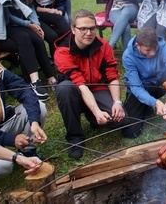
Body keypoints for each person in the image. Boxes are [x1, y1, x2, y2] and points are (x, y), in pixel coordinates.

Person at [54, 9, 134, 160]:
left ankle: (94, 119)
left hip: (97, 88)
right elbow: (80, 83)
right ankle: (75, 138)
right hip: (75, 91)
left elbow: (112, 75)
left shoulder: (103, 45)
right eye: (83, 29)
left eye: (92, 28)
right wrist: (97, 110)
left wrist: (117, 102)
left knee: (122, 120)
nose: (88, 33)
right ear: (73, 29)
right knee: (64, 89)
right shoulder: (62, 51)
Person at [0, 36, 47, 176]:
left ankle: (28, 151)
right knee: (3, 166)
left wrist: (34, 122)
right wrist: (11, 139)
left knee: (39, 107)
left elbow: (25, 91)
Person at [5, 0, 57, 100]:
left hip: (26, 24)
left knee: (38, 39)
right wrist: (29, 25)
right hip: (14, 27)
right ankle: (35, 82)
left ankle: (51, 77)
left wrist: (36, 24)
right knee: (29, 39)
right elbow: (9, 17)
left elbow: (31, 8)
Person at [122, 27, 166, 137]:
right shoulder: (128, 56)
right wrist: (155, 103)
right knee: (131, 133)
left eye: (154, 48)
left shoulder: (163, 47)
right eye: (148, 50)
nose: (152, 53)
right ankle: (146, 106)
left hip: (158, 82)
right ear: (138, 46)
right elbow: (136, 88)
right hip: (141, 87)